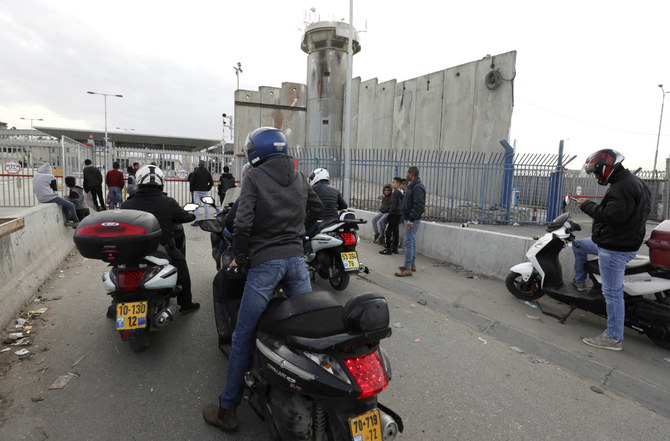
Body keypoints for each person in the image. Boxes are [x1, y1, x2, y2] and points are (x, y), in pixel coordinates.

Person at [202, 127, 323, 434]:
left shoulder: (254, 177)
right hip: (296, 264)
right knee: (308, 332)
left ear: (256, 151)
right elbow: (317, 210)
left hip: (265, 266)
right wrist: (297, 235)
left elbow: (241, 224)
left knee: (243, 335)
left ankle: (227, 410)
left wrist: (241, 257)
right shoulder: (298, 176)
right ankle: (313, 397)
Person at [572, 149, 650, 351]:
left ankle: (614, 337)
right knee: (579, 245)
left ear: (607, 169)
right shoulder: (635, 182)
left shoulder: (621, 187)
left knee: (612, 293)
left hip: (614, 248)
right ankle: (579, 283)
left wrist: (586, 205)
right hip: (617, 242)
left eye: (597, 172)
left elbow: (612, 216)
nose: (597, 176)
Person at [120, 165, 200, 315]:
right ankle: (186, 304)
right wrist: (191, 215)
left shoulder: (127, 204)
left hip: (133, 251)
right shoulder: (168, 202)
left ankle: (118, 304)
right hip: (162, 250)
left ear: (139, 182)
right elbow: (185, 217)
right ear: (161, 182)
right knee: (181, 268)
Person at [396, 167, 425, 277]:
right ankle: (411, 264)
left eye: (406, 172)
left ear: (411, 174)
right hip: (409, 218)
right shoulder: (413, 185)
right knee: (411, 241)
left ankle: (407, 268)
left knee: (408, 242)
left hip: (412, 219)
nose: (405, 174)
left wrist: (411, 219)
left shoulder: (417, 187)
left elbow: (419, 205)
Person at [380, 177, 404, 255]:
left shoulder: (395, 193)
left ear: (397, 184)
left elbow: (393, 206)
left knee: (388, 231)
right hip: (399, 213)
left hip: (393, 214)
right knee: (395, 230)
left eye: (393, 182)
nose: (391, 184)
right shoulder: (401, 192)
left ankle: (388, 248)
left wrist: (390, 214)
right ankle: (394, 248)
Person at [189, 160, 214, 224]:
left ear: (198, 164)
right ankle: (207, 219)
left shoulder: (195, 172)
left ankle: (196, 220)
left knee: (196, 205)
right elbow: (211, 183)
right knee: (206, 205)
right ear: (204, 165)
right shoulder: (207, 172)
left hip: (196, 191)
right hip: (204, 191)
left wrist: (192, 190)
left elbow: (192, 182)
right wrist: (207, 188)